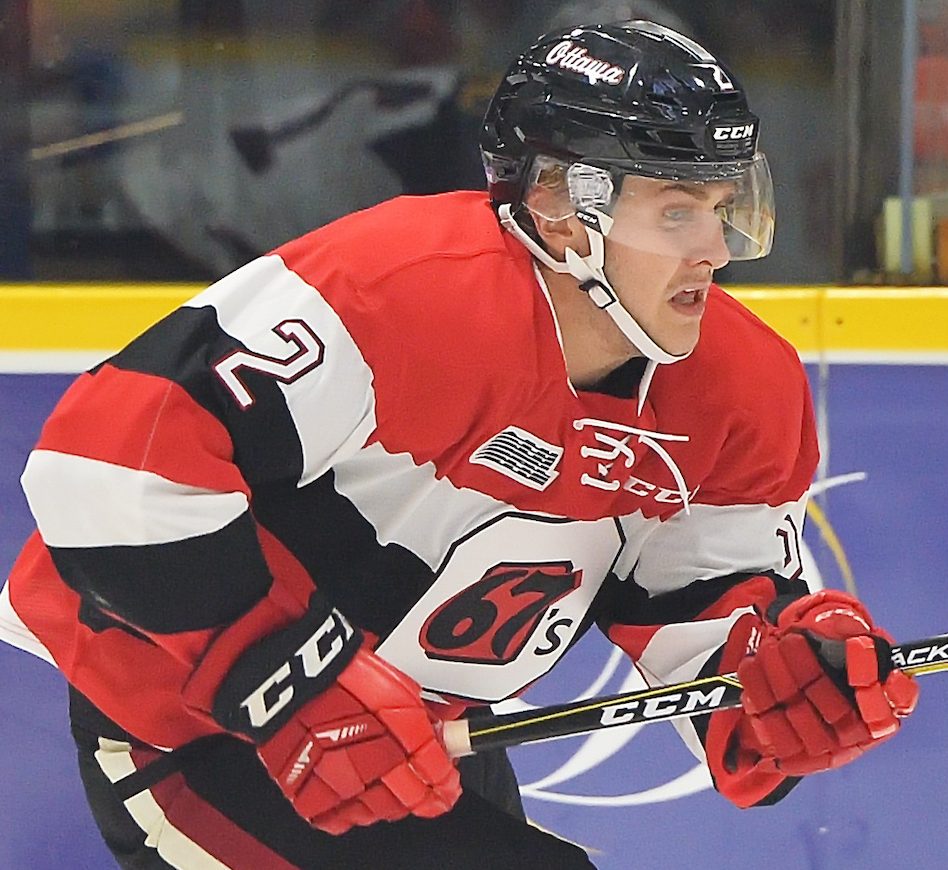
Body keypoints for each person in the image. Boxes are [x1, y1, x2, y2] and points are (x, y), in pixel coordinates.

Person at [0, 20, 919, 870]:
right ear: (559, 205)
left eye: (727, 205)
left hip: (422, 743)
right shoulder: (398, 291)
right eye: (677, 210)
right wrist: (291, 680)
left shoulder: (742, 388)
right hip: (196, 724)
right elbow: (107, 465)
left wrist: (781, 690)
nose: (716, 248)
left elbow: (710, 608)